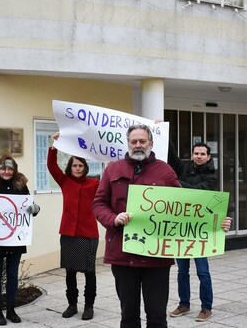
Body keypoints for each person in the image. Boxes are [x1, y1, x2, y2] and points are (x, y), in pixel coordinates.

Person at [92, 124, 231, 328]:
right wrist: (113, 218)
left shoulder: (165, 171)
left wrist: (216, 222)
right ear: (128, 143)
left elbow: (186, 206)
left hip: (156, 258)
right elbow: (99, 203)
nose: (138, 145)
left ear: (151, 143)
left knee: (157, 318)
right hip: (122, 255)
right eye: (133, 141)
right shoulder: (113, 169)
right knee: (128, 317)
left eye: (142, 141)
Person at [0, 154, 39, 326]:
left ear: (14, 171)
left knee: (13, 276)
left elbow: (29, 209)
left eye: (10, 169)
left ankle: (11, 309)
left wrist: (35, 209)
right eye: (3, 168)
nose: (7, 172)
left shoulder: (21, 187)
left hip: (15, 240)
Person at [47, 132, 100, 320]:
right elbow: (52, 166)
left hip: (88, 234)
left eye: (81, 165)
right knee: (70, 271)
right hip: (69, 233)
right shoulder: (65, 181)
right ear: (70, 167)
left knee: (89, 271)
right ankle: (72, 304)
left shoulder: (94, 183)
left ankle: (89, 306)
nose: (78, 168)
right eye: (75, 165)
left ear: (85, 167)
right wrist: (54, 145)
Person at [167, 142, 221, 322]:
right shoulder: (183, 169)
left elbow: (198, 193)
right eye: (196, 153)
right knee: (182, 272)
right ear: (192, 155)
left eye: (202, 154)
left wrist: (177, 184)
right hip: (182, 228)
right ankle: (184, 304)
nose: (198, 156)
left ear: (208, 157)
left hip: (200, 231)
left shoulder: (212, 177)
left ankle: (206, 307)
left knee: (202, 272)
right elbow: (172, 157)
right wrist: (164, 134)